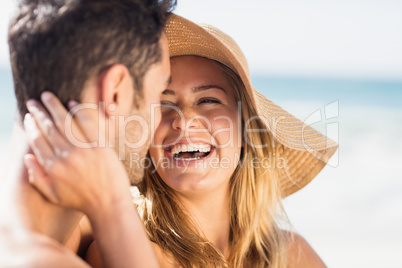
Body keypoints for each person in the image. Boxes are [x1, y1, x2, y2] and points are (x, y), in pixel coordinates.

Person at [24, 14, 338, 267]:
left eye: (208, 101)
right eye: (162, 103)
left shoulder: (288, 254)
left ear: (246, 127)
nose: (184, 120)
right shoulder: (121, 244)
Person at [0, 0, 175, 267]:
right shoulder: (38, 261)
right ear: (115, 91)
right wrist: (113, 205)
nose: (161, 118)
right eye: (160, 94)